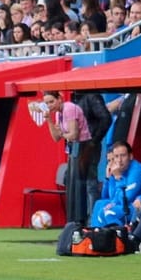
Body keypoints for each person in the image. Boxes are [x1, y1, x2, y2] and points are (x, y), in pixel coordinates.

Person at [41, 89, 92, 224]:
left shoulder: (69, 108)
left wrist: (63, 135)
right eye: (47, 103)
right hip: (73, 149)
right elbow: (56, 138)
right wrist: (49, 120)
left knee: (80, 184)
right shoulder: (58, 114)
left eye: (51, 101)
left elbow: (74, 135)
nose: (50, 105)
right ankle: (73, 221)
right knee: (72, 184)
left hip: (83, 147)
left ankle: (82, 220)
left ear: (60, 98)